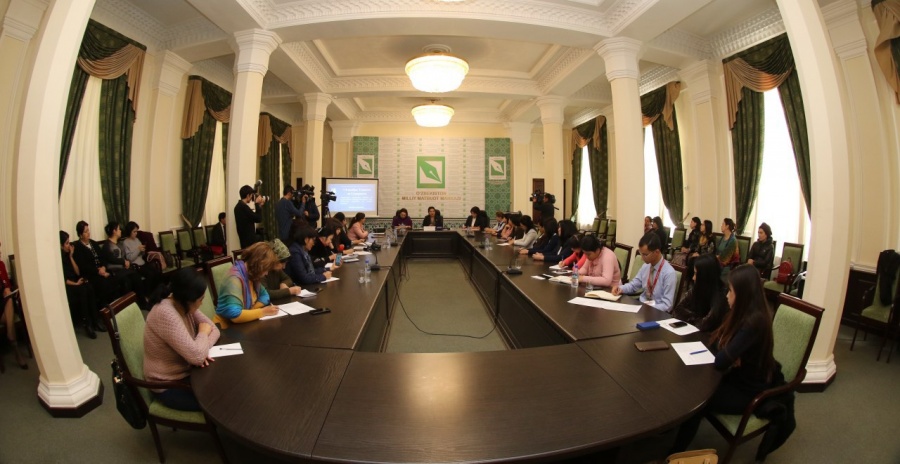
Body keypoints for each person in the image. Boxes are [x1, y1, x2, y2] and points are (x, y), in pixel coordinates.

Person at [669, 264, 785, 455]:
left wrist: (729, 353)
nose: (726, 295)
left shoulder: (754, 322)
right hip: (735, 375)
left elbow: (721, 360)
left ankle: (675, 452)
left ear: (742, 294)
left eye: (730, 291)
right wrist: (731, 353)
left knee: (697, 399)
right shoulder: (744, 313)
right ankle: (673, 430)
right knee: (690, 382)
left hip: (747, 389)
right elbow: (719, 344)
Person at [143, 268, 220, 411]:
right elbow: (197, 356)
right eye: (200, 300)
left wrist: (201, 349)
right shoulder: (166, 313)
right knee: (220, 400)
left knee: (228, 385)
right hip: (168, 384)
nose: (202, 304)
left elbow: (214, 330)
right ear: (188, 299)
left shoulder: (182, 303)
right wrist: (202, 335)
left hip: (189, 372)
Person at [215, 242, 280, 327]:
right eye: (265, 269)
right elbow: (235, 316)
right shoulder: (234, 279)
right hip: (225, 327)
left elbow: (265, 296)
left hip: (243, 325)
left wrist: (251, 311)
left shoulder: (252, 275)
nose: (266, 273)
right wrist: (263, 312)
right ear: (259, 265)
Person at [611, 233, 677, 312]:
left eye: (645, 255)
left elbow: (667, 305)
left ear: (656, 252)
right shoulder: (646, 266)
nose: (642, 258)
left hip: (656, 311)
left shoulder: (669, 273)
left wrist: (648, 309)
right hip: (641, 306)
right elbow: (634, 285)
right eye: (641, 253)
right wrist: (620, 288)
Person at [72, 221, 124, 307]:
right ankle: (105, 309)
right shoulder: (78, 247)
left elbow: (102, 257)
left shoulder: (93, 243)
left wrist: (103, 267)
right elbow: (83, 266)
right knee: (103, 283)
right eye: (85, 232)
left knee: (114, 279)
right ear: (80, 235)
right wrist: (98, 271)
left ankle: (116, 306)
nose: (88, 233)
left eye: (88, 230)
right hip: (91, 274)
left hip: (101, 271)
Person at [60, 231, 101, 339]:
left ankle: (95, 321)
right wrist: (75, 284)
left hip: (75, 281)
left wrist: (71, 257)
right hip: (67, 285)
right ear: (61, 245)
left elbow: (77, 272)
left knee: (89, 287)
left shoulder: (68, 255)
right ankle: (87, 324)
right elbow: (62, 279)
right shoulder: (58, 259)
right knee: (82, 290)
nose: (69, 245)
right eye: (67, 243)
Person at [671, 254, 728, 331]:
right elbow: (677, 310)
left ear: (705, 276)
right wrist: (696, 318)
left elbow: (705, 325)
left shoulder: (721, 294)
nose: (693, 278)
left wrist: (690, 317)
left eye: (696, 274)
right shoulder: (698, 288)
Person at [102, 222, 147, 308]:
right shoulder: (107, 245)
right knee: (127, 282)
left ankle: (142, 303)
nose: (120, 231)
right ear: (114, 231)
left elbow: (125, 256)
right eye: (119, 229)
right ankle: (128, 307)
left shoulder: (120, 243)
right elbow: (111, 259)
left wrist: (127, 262)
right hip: (115, 271)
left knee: (136, 278)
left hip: (124, 269)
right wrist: (124, 262)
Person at [0, 240, 27, 368]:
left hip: (5, 302)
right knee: (9, 305)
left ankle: (11, 337)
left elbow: (7, 285)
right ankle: (16, 349)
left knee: (9, 300)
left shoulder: (1, 265)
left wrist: (9, 290)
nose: (0, 252)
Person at [121, 221, 162, 295]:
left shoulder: (137, 240)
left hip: (143, 263)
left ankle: (157, 292)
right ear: (129, 231)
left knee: (156, 271)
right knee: (150, 274)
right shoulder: (125, 242)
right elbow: (129, 258)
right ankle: (148, 294)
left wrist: (143, 251)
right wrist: (138, 250)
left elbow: (141, 255)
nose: (136, 233)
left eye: (136, 231)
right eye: (134, 232)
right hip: (136, 266)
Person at [234, 184, 266, 249]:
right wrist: (257, 204)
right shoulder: (243, 207)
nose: (252, 197)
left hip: (244, 240)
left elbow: (253, 216)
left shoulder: (238, 207)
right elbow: (258, 219)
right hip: (249, 242)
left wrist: (259, 206)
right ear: (248, 195)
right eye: (251, 195)